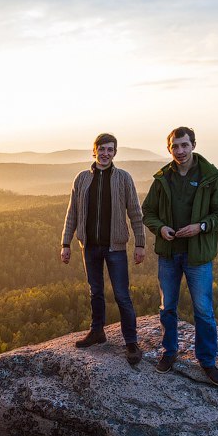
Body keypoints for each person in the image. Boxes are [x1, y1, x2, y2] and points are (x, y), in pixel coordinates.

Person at [142, 126, 218, 384]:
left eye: (184, 145)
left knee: (203, 310)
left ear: (193, 144)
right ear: (168, 148)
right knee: (167, 307)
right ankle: (170, 353)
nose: (180, 151)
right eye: (175, 146)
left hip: (198, 256)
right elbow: (148, 211)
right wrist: (161, 229)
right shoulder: (163, 179)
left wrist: (201, 226)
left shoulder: (212, 177)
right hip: (169, 253)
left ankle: (207, 361)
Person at [61, 133, 147, 365]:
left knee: (122, 295)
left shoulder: (123, 178)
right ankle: (97, 331)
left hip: (115, 247)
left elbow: (135, 213)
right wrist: (65, 243)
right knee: (95, 291)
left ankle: (131, 341)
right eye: (102, 149)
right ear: (94, 150)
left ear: (115, 153)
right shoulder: (81, 179)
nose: (106, 153)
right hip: (89, 246)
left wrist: (140, 243)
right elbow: (73, 214)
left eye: (110, 150)